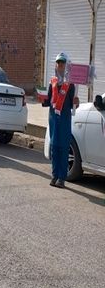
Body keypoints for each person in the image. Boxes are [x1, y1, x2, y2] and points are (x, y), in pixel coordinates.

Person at [42, 52, 79, 188]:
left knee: (63, 148)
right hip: (53, 118)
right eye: (58, 63)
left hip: (64, 119)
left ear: (66, 65)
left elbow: (73, 105)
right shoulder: (53, 81)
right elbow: (49, 100)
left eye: (62, 63)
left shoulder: (70, 85)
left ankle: (62, 178)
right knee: (54, 147)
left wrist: (76, 101)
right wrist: (42, 99)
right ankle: (54, 175)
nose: (60, 65)